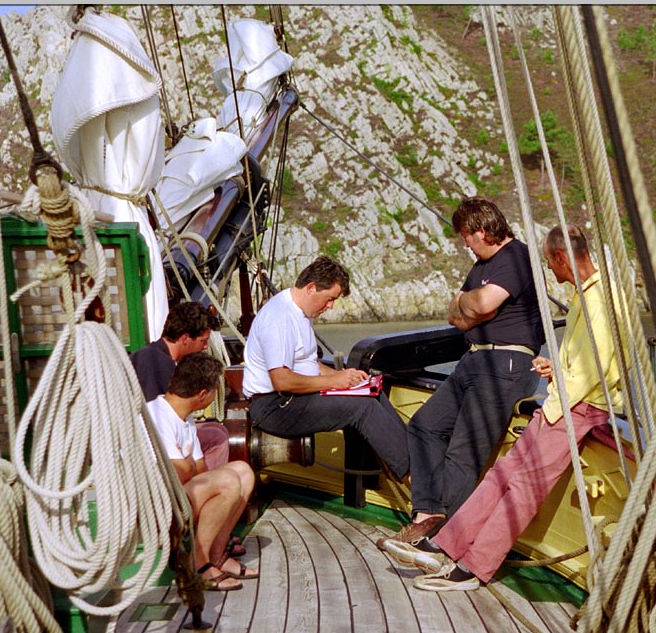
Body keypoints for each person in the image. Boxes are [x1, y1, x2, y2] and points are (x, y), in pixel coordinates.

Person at [382, 227, 624, 591]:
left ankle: (474, 569)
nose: (549, 269)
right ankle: (446, 544)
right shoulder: (586, 295)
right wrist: (554, 368)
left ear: (561, 258)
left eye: (549, 261)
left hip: (577, 408)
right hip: (564, 403)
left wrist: (556, 403)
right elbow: (586, 361)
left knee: (524, 489)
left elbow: (593, 372)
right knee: (503, 473)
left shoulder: (601, 300)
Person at [378, 197, 545, 548]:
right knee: (425, 426)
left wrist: (473, 304)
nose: (465, 244)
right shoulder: (482, 266)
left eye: (466, 237)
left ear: (481, 231)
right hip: (473, 361)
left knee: (463, 452)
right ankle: (427, 512)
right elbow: (455, 314)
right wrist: (469, 305)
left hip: (505, 365)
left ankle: (440, 541)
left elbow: (480, 305)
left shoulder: (516, 256)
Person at [242, 256, 409, 480]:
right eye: (330, 299)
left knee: (372, 393)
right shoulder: (279, 318)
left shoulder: (299, 312)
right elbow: (281, 380)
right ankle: (415, 478)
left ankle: (415, 459)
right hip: (274, 406)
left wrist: (344, 377)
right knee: (362, 408)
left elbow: (309, 365)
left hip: (291, 399)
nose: (330, 306)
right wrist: (333, 382)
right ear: (311, 288)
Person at [145, 353, 258, 591]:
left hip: (177, 499)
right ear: (202, 394)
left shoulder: (185, 420)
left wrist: (185, 464)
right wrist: (186, 466)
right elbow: (181, 474)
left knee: (243, 472)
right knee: (227, 481)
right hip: (154, 511)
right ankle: (197, 562)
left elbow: (197, 470)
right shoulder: (156, 415)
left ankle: (217, 556)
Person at [130, 301, 231, 471]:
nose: (205, 347)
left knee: (215, 428)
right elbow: (157, 421)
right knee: (216, 437)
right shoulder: (158, 365)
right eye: (203, 341)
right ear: (185, 338)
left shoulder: (155, 355)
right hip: (143, 445)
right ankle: (203, 488)